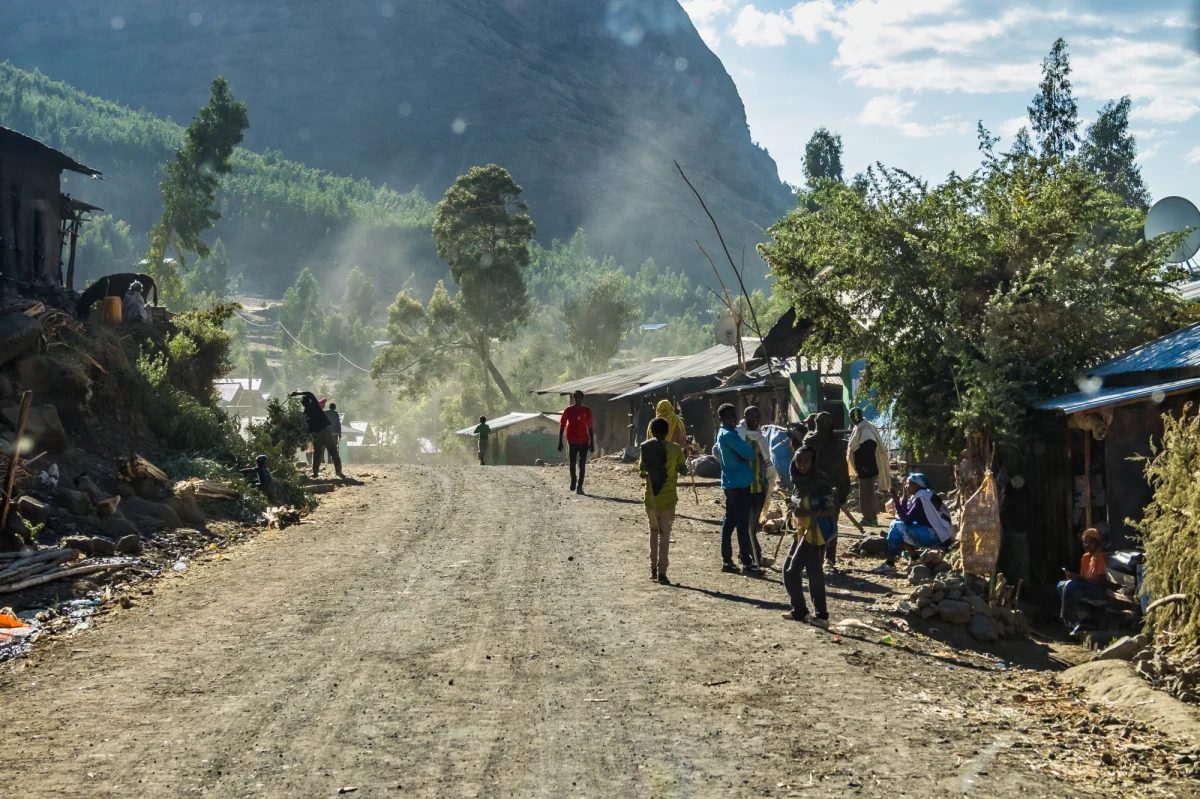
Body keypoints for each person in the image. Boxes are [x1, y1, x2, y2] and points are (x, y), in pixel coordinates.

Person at [782, 446, 835, 628]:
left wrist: (804, 511)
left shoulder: (819, 483)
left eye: (806, 461)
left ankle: (821, 616)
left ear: (813, 462)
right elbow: (798, 502)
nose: (802, 465)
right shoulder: (798, 481)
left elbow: (829, 509)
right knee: (789, 571)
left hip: (816, 533)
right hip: (801, 531)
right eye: (799, 461)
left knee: (809, 573)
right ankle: (800, 611)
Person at [639, 417, 688, 585]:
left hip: (651, 496)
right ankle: (663, 572)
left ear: (651, 432)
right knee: (665, 534)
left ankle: (653, 568)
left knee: (653, 530)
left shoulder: (645, 447)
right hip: (668, 498)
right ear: (667, 432)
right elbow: (684, 471)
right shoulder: (675, 449)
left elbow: (642, 471)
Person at [876, 474, 954, 572]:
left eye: (908, 484)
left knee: (896, 526)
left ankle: (890, 563)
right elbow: (905, 515)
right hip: (941, 535)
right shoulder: (925, 495)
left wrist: (896, 501)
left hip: (937, 538)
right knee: (899, 526)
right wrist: (904, 498)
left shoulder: (922, 499)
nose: (906, 486)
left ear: (916, 485)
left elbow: (907, 519)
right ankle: (914, 558)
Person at [716, 403, 761, 574]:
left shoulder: (722, 433)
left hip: (730, 483)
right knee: (742, 525)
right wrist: (743, 456)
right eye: (729, 416)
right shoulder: (731, 436)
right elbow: (750, 454)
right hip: (740, 485)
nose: (733, 419)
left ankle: (727, 561)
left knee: (729, 524)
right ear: (721, 418)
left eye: (734, 415)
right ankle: (747, 563)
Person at [803, 411, 851, 570]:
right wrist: (844, 491)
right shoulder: (831, 443)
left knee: (817, 522)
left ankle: (822, 557)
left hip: (821, 489)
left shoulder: (811, 440)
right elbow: (843, 471)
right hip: (827, 490)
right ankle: (826, 558)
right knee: (828, 523)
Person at [738, 405, 776, 567]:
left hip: (759, 487)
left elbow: (767, 461)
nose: (756, 420)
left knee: (752, 525)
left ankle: (746, 555)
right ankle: (755, 557)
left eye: (758, 417)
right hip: (743, 488)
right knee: (749, 526)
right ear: (745, 417)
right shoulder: (739, 435)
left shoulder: (760, 437)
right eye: (752, 417)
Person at [1057, 528, 1108, 634]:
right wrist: (1074, 577)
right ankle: (1080, 620)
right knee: (1061, 585)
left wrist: (1081, 579)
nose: (1087, 545)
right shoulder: (1085, 558)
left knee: (1071, 587)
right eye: (1085, 542)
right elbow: (1083, 579)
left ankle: (1070, 619)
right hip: (1088, 588)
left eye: (1091, 542)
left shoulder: (1100, 557)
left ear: (1097, 543)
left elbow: (1102, 583)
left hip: (1100, 592)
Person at [846, 408, 889, 526]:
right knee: (867, 493)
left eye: (852, 417)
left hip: (868, 468)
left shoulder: (866, 430)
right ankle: (870, 517)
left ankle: (869, 518)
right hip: (864, 468)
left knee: (867, 494)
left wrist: (864, 466)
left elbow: (869, 449)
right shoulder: (860, 428)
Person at [290, 390, 345, 479]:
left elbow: (305, 428)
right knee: (333, 451)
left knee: (317, 454)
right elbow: (310, 393)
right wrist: (297, 394)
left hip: (317, 435)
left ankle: (315, 473)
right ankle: (338, 471)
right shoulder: (315, 405)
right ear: (309, 401)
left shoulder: (305, 414)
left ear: (303, 404)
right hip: (326, 430)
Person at [558, 390, 594, 495]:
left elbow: (590, 427)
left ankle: (580, 486)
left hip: (584, 441)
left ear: (582, 398)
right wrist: (560, 441)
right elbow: (562, 425)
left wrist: (592, 442)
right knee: (572, 463)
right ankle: (573, 480)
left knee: (582, 465)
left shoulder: (587, 411)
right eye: (576, 397)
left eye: (580, 397)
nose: (578, 398)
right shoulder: (568, 410)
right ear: (574, 398)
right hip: (572, 441)